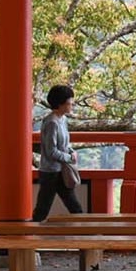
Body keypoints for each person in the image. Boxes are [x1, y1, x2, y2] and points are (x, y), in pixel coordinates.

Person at [32, 84, 84, 222]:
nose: (72, 104)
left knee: (74, 207)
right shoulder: (52, 122)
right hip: (50, 172)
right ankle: (29, 233)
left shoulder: (63, 119)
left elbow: (65, 144)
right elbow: (51, 151)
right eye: (69, 102)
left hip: (62, 170)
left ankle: (84, 232)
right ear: (60, 104)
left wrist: (71, 151)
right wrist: (69, 158)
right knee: (42, 209)